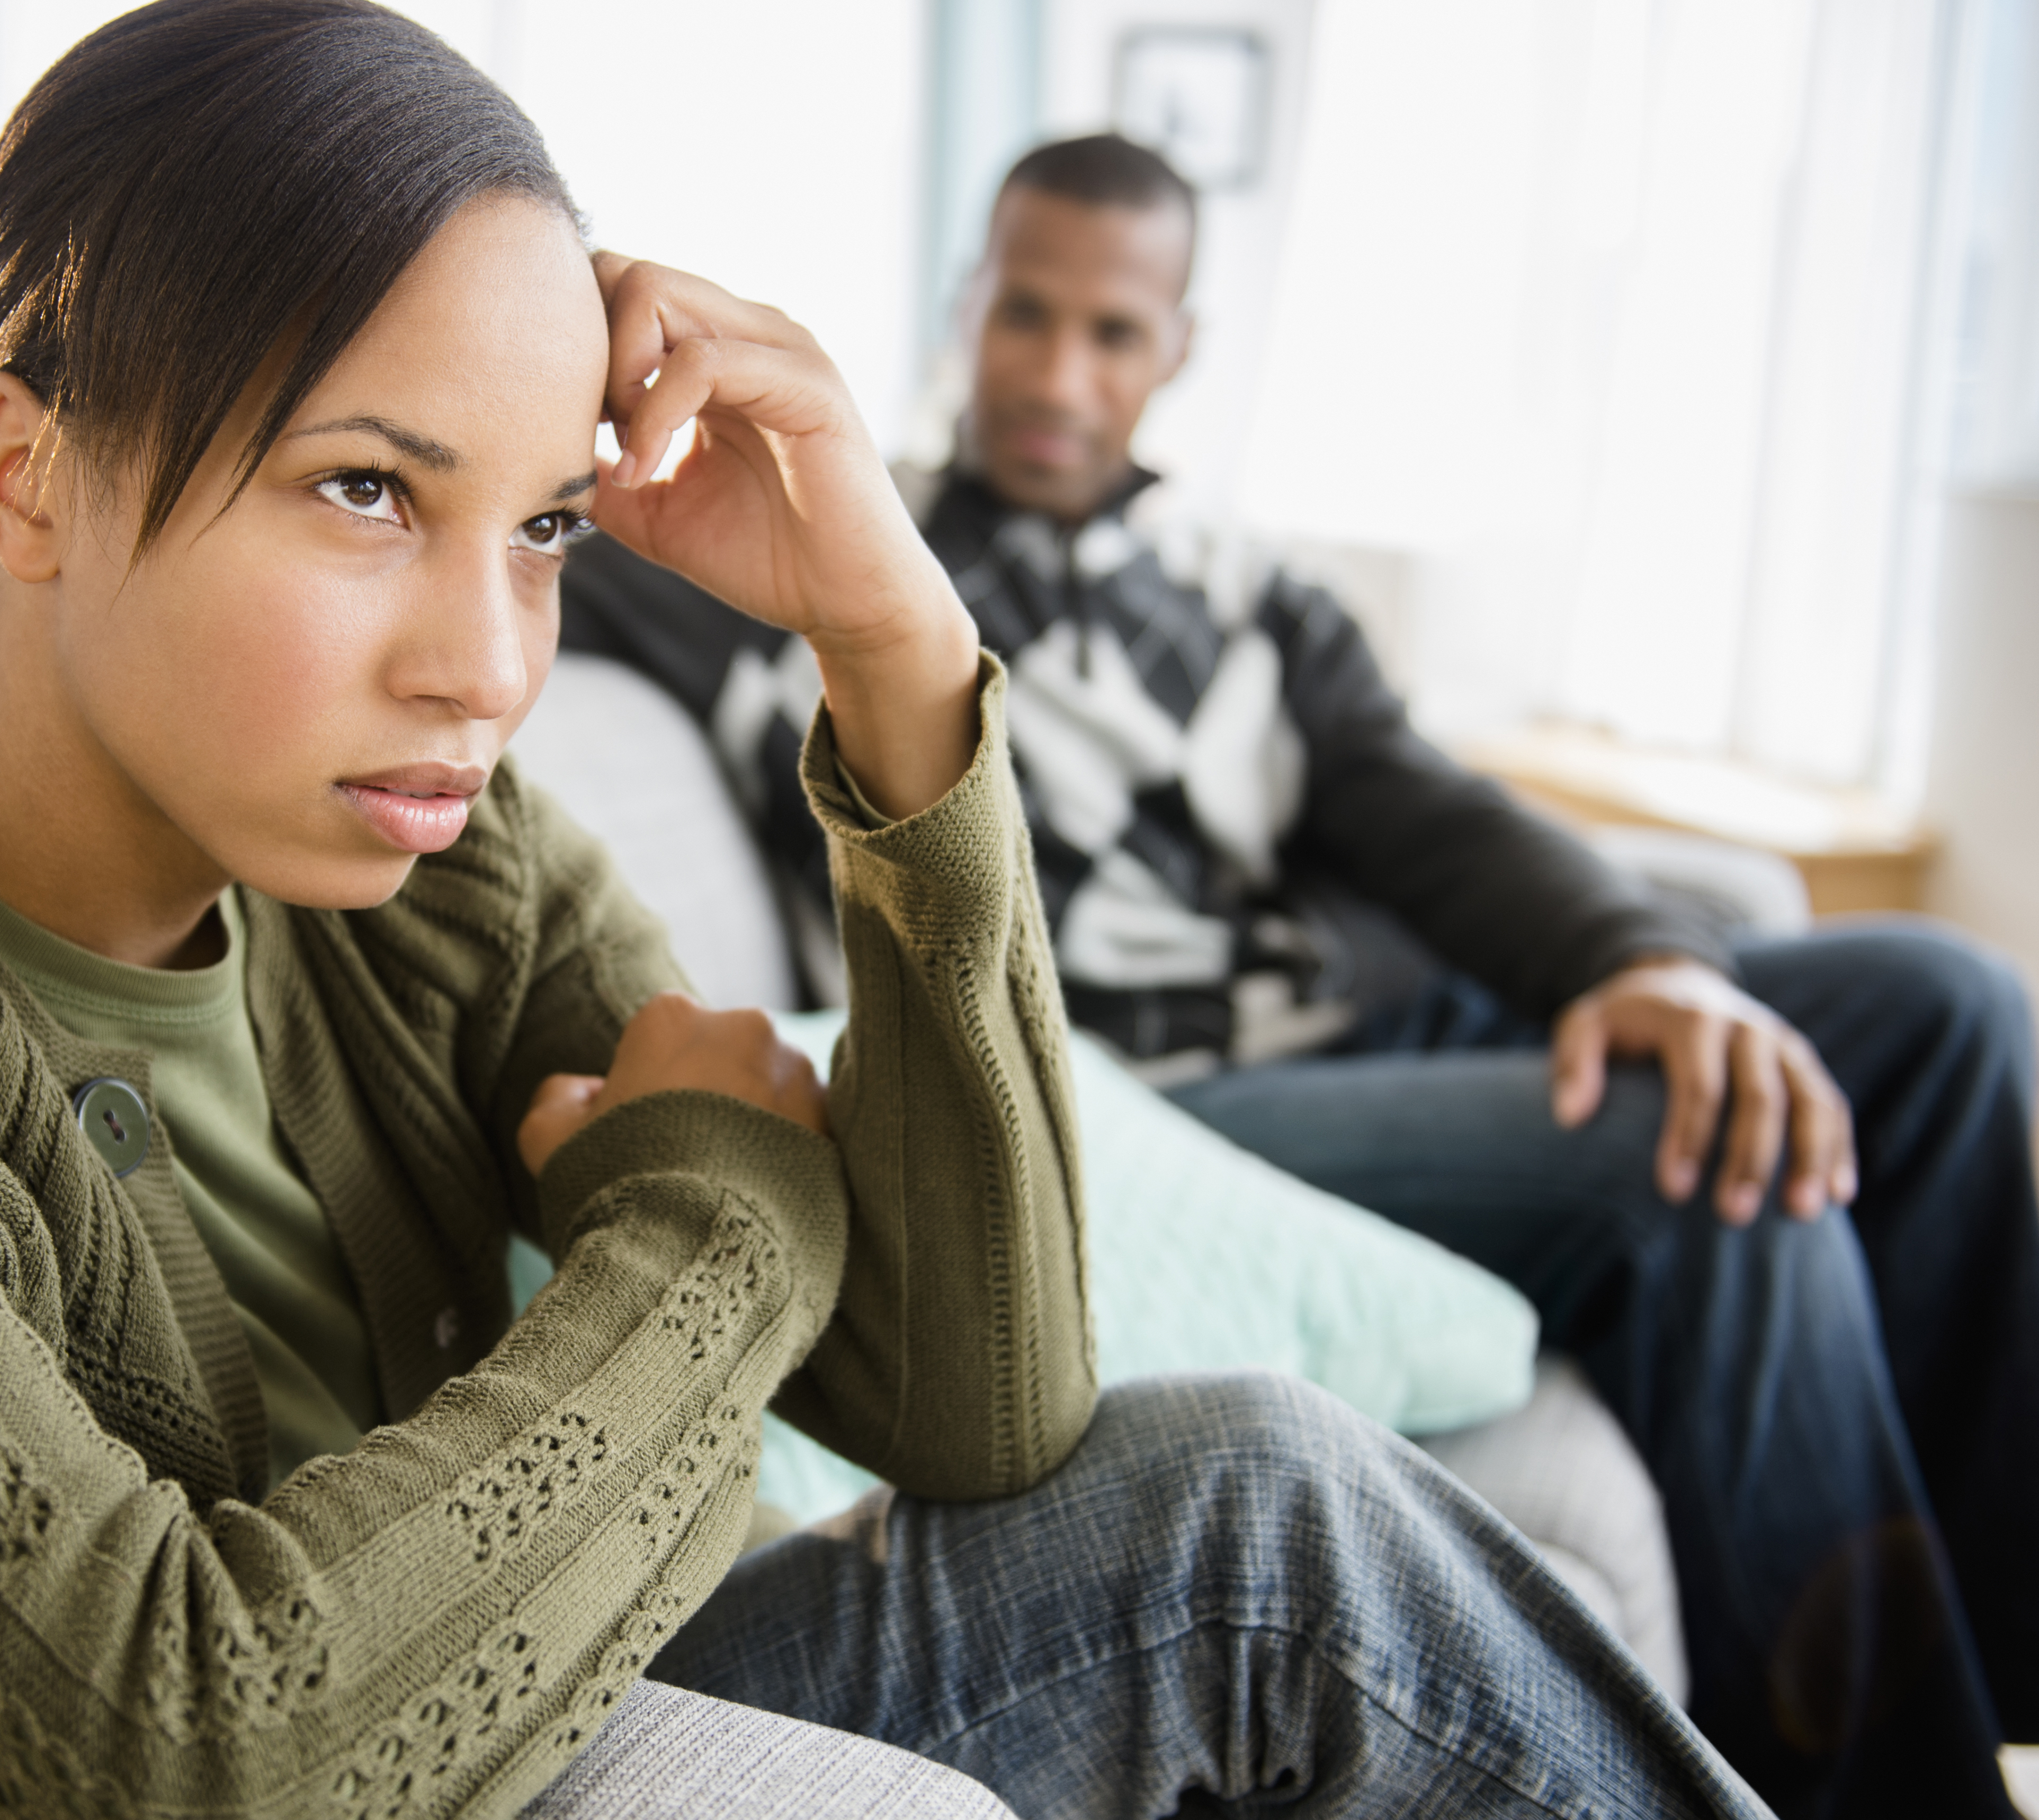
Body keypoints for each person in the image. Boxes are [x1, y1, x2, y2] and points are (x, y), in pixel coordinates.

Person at [0, 14, 1772, 1816]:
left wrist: (896, 666)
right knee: (1269, 1535)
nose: (488, 658)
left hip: (547, 1693)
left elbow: (987, 1406)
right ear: (28, 472)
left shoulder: (405, 851)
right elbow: (173, 1751)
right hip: (360, 1748)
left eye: (544, 523)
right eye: (369, 490)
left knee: (1248, 1483)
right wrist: (724, 1219)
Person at [559, 131, 2039, 1818]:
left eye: (1111, 333)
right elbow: (534, 518)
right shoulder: (802, 542)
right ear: (967, 304)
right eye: (1022, 314)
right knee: (1703, 1158)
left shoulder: (1251, 596)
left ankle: (1994, 1686)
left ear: (1175, 349)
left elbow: (1429, 816)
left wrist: (1644, 958)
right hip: (1166, 1105)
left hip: (1371, 1033)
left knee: (1944, 1007)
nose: (1054, 371)